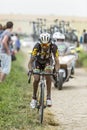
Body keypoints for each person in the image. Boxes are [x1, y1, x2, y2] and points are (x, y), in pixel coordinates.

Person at [28, 32, 60, 108]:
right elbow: (30, 62)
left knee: (48, 75)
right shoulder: (37, 46)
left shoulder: (54, 47)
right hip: (38, 62)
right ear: (40, 43)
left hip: (47, 62)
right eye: (43, 45)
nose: (45, 47)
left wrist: (57, 71)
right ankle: (34, 98)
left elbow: (57, 60)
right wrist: (30, 70)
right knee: (36, 78)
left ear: (50, 43)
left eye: (46, 45)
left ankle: (48, 97)